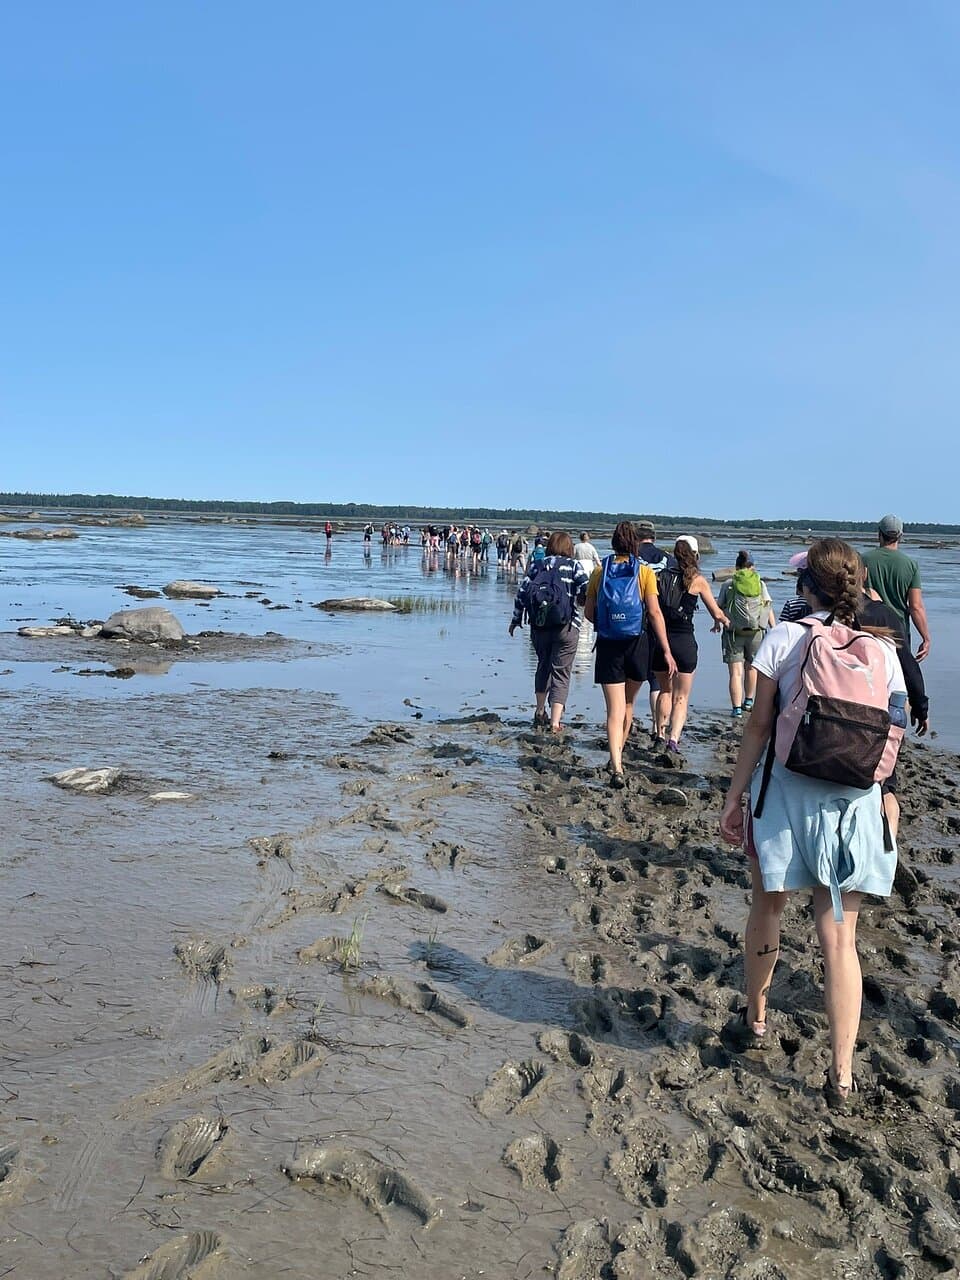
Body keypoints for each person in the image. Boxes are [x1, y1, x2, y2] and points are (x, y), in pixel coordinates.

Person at [719, 539, 906, 1106]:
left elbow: (758, 727)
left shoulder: (786, 638)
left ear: (807, 587)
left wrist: (733, 795)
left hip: (784, 794)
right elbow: (892, 735)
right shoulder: (884, 649)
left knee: (767, 906)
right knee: (839, 938)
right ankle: (842, 1075)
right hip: (853, 804)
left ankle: (755, 1021)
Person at [584, 521, 677, 788]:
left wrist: (607, 626)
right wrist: (667, 651)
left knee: (613, 709)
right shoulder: (645, 573)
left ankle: (616, 765)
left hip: (609, 646)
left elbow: (589, 613)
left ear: (613, 543)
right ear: (635, 543)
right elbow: (655, 613)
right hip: (638, 644)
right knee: (628, 706)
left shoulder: (600, 571)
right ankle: (619, 757)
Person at [651, 536, 730, 751]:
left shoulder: (659, 576)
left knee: (664, 691)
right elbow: (716, 610)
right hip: (684, 642)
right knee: (681, 696)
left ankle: (659, 734)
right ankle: (673, 740)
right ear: (695, 555)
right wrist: (722, 621)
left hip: (661, 642)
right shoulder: (698, 580)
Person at [509, 531, 590, 733]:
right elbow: (587, 591)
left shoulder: (538, 565)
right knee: (561, 672)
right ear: (569, 547)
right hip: (567, 626)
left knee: (543, 665)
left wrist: (516, 619)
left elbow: (522, 593)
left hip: (539, 624)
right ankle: (555, 722)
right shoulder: (573, 566)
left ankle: (539, 711)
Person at [862, 515, 931, 661]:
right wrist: (925, 638)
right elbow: (916, 606)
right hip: (898, 631)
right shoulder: (910, 565)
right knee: (899, 678)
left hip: (867, 628)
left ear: (879, 534)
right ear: (900, 536)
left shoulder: (863, 560)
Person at [718, 550, 775, 718]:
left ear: (736, 567)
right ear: (753, 567)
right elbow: (767, 606)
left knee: (735, 672)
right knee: (751, 667)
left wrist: (718, 623)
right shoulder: (761, 584)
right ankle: (749, 702)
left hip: (733, 632)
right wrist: (774, 628)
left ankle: (736, 709)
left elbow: (719, 608)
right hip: (756, 632)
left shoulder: (728, 584)